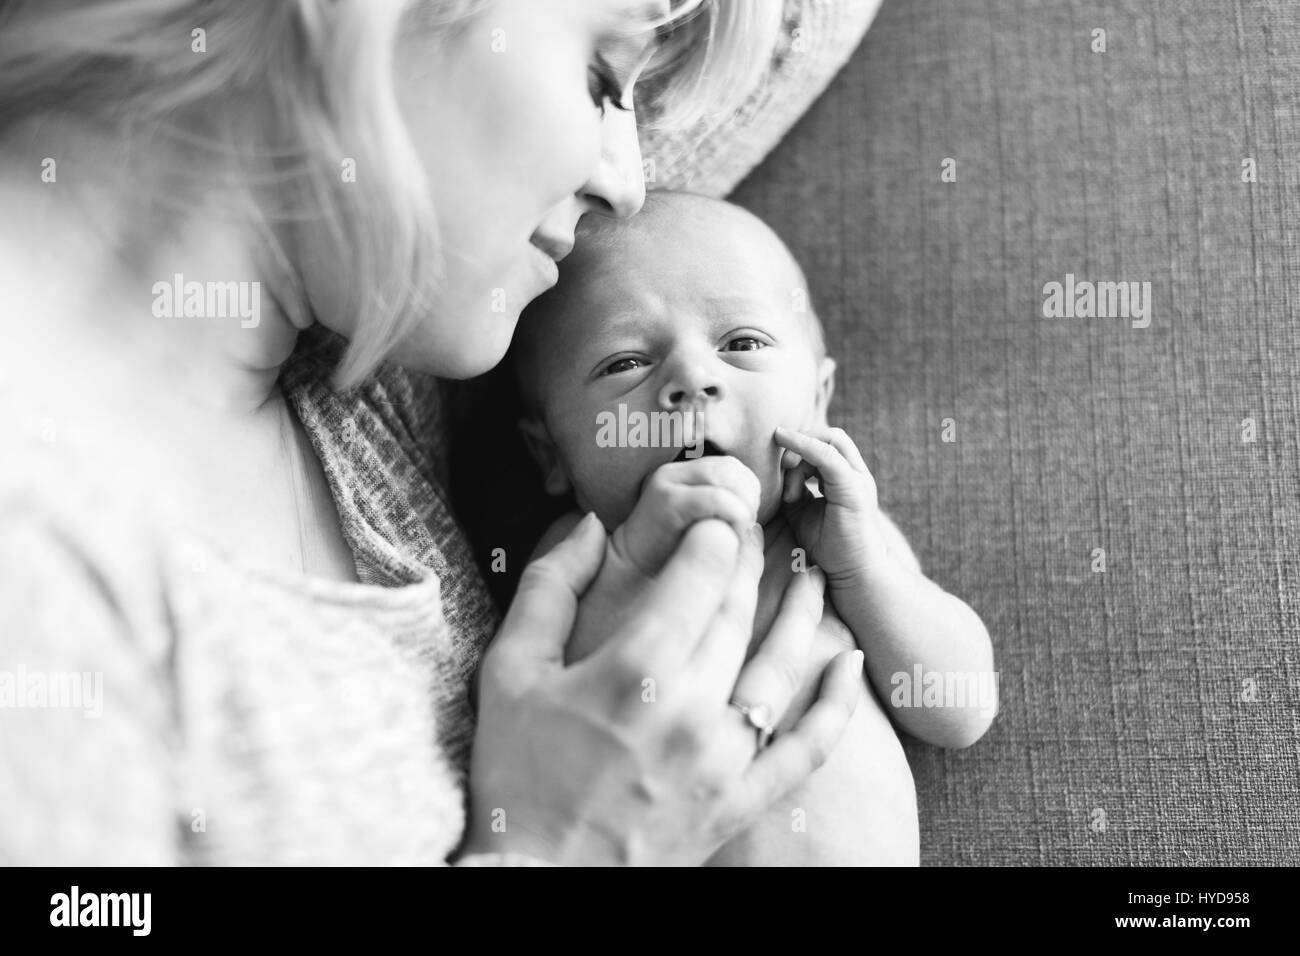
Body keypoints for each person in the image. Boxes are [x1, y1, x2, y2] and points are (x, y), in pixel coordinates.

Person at [0, 0, 864, 866]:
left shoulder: (374, 303)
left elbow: (799, 27)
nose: (628, 185)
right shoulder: (46, 577)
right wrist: (562, 846)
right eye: (599, 79)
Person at [510, 191, 997, 864]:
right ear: (551, 453)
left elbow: (960, 710)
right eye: (625, 362)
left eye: (742, 343)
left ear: (818, 401)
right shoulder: (572, 560)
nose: (692, 378)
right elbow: (521, 730)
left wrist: (865, 573)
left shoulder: (833, 537)